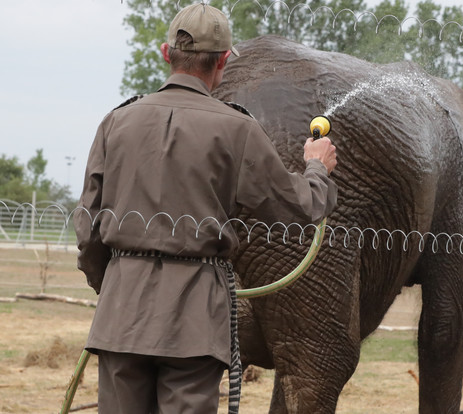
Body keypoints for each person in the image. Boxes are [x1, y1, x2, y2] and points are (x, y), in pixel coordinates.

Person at [73, 3, 338, 413]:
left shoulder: (115, 122)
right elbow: (302, 208)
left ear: (166, 53)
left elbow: (88, 228)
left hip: (119, 318)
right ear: (224, 61)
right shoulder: (238, 128)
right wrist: (317, 167)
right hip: (194, 324)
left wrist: (112, 289)